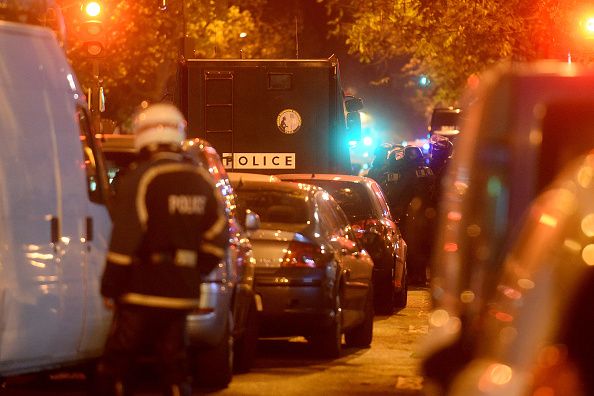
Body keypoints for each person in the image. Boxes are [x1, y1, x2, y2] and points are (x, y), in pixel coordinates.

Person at [95, 103, 229, 396]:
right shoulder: (200, 180)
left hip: (142, 288)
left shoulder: (141, 178)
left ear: (142, 135)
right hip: (181, 290)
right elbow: (219, 232)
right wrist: (195, 268)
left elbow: (125, 238)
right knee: (174, 362)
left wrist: (110, 286)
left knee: (117, 361)